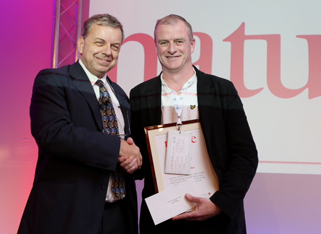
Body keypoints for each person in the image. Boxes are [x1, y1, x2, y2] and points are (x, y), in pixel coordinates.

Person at [129, 14, 258, 234]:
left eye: (179, 41)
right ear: (156, 46)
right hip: (163, 222)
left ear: (192, 44)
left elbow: (245, 155)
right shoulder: (140, 94)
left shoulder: (222, 90)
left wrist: (220, 204)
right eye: (164, 42)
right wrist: (132, 159)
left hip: (217, 220)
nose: (172, 49)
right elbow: (140, 166)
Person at [18, 14, 142, 234]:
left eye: (115, 46)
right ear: (82, 44)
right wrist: (118, 148)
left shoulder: (121, 95)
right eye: (100, 42)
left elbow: (125, 146)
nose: (108, 52)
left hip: (119, 216)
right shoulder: (53, 80)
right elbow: (54, 133)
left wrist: (132, 158)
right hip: (70, 214)